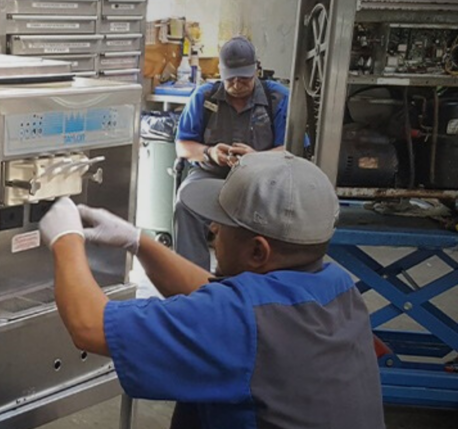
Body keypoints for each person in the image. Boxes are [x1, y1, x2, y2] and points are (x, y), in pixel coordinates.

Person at [39, 151, 384, 429]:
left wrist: (65, 239)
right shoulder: (337, 286)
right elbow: (224, 299)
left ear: (257, 251)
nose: (213, 229)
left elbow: (90, 326)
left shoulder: (238, 321)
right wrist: (139, 242)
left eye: (222, 224)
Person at [174, 36, 298, 270]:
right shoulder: (203, 97)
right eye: (231, 78)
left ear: (256, 70)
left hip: (262, 178)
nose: (237, 84)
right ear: (221, 72)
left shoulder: (278, 98)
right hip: (212, 175)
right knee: (186, 204)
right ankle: (191, 280)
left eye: (244, 78)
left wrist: (257, 159)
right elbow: (183, 145)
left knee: (274, 214)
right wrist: (210, 152)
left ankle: (259, 279)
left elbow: (293, 149)